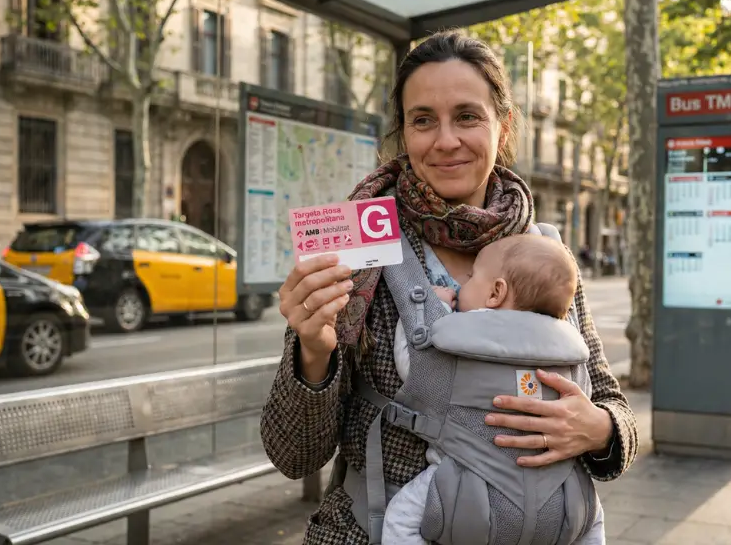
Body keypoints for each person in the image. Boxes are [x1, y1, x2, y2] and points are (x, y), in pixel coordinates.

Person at [261, 29, 638, 545]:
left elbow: (614, 406)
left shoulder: (546, 253)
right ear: (403, 133)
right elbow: (293, 454)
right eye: (422, 121)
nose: (445, 140)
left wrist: (598, 429)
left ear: (501, 127)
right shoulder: (358, 249)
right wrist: (313, 352)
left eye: (467, 116)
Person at [383, 233, 606, 544]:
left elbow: (415, 366)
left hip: (465, 486)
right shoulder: (568, 349)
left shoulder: (461, 334)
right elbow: (590, 393)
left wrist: (434, 310)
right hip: (558, 496)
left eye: (473, 277)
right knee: (592, 521)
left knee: (401, 519)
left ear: (496, 292)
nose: (463, 285)